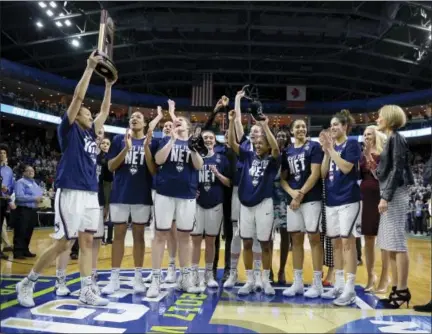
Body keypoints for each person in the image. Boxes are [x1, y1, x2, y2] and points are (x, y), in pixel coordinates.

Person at [16, 51, 115, 307]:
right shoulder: (68, 130)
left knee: (86, 243)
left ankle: (85, 290)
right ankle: (28, 282)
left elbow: (105, 109)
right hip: (70, 191)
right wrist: (90, 68)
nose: (89, 113)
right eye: (85, 112)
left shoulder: (93, 134)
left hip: (90, 194)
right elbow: (79, 97)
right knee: (62, 244)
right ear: (75, 115)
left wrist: (108, 85)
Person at [101, 108, 161, 295]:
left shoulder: (152, 142)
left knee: (139, 236)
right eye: (132, 117)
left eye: (138, 117)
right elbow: (110, 166)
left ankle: (138, 277)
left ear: (145, 123)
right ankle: (114, 278)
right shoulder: (119, 140)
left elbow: (153, 171)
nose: (134, 119)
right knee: (117, 236)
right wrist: (126, 149)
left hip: (142, 195)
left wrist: (146, 149)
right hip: (120, 194)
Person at [146, 110, 204, 298]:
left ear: (188, 127)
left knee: (185, 237)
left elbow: (198, 165)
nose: (177, 123)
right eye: (175, 121)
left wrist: (193, 148)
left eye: (181, 122)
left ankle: (185, 278)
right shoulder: (164, 140)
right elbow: (158, 159)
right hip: (165, 193)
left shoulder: (194, 143)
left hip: (186, 194)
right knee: (160, 235)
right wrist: (172, 139)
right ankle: (156, 279)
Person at [227, 110, 280, 295]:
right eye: (255, 143)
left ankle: (265, 280)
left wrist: (265, 126)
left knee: (265, 243)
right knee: (247, 243)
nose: (257, 145)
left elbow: (275, 149)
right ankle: (249, 279)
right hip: (245, 205)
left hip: (264, 204)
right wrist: (233, 121)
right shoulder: (248, 156)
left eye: (261, 143)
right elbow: (232, 143)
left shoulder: (273, 160)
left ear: (267, 144)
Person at [320, 109, 362, 306]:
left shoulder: (352, 143)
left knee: (348, 242)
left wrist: (332, 150)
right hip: (331, 200)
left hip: (348, 199)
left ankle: (350, 288)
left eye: (336, 124)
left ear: (345, 126)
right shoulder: (331, 147)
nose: (333, 127)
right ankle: (337, 285)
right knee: (335, 243)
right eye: (331, 124)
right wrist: (327, 151)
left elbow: (346, 168)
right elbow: (322, 173)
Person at [224, 90, 263, 290]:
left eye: (258, 131)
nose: (255, 133)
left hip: (258, 194)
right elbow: (237, 121)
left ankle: (256, 275)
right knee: (238, 233)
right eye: (253, 131)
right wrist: (237, 99)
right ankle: (232, 273)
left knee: (256, 235)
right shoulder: (245, 144)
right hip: (240, 192)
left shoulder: (266, 148)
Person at [375, 105, 414, 309]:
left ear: (389, 118)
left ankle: (403, 289)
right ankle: (398, 289)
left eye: (380, 115)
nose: (378, 118)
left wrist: (385, 197)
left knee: (397, 243)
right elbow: (388, 169)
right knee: (390, 244)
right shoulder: (391, 139)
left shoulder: (396, 138)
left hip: (395, 194)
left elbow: (398, 169)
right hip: (391, 193)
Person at [281, 119, 324, 298]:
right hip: (294, 201)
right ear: (292, 131)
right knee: (295, 240)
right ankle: (297, 283)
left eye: (303, 127)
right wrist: (292, 193)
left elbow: (315, 174)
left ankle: (317, 283)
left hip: (311, 199)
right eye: (297, 126)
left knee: (314, 239)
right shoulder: (287, 151)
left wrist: (300, 194)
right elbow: (283, 179)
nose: (301, 129)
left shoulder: (313, 147)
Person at [190, 129, 231, 289]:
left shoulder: (222, 158)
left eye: (211, 137)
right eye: (205, 137)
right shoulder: (195, 156)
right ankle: (193, 273)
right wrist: (192, 188)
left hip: (215, 202)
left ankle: (209, 274)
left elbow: (229, 183)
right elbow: (188, 176)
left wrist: (217, 174)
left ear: (215, 141)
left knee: (210, 241)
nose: (208, 139)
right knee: (195, 241)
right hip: (197, 203)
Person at [144, 105, 178, 285]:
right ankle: (155, 269)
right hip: (158, 189)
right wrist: (158, 117)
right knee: (156, 232)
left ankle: (172, 267)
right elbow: (149, 131)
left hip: (175, 191)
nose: (167, 126)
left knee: (172, 231)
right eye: (165, 125)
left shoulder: (181, 142)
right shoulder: (158, 142)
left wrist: (172, 114)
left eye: (171, 125)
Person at [360, 126, 390, 293]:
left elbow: (383, 176)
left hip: (381, 197)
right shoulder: (362, 153)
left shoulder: (383, 152)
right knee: (368, 238)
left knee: (384, 239)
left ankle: (385, 277)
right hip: (366, 198)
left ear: (376, 135)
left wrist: (371, 165)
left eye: (369, 134)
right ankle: (371, 275)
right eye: (364, 134)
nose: (366, 136)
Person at [271, 130, 291, 284]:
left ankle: (282, 270)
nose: (281, 138)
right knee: (267, 235)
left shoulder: (289, 153)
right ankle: (268, 270)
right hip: (268, 196)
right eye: (279, 136)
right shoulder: (268, 152)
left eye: (284, 136)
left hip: (284, 197)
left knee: (285, 235)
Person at [12, 166, 43, 259]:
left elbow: (38, 195)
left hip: (33, 211)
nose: (31, 172)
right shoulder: (20, 182)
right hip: (23, 210)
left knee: (28, 231)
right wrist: (34, 198)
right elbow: (19, 197)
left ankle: (25, 250)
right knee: (20, 231)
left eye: (32, 171)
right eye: (28, 171)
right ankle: (18, 252)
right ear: (23, 173)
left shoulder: (35, 183)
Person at [0, 143, 16, 260]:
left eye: (4, 153)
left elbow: (11, 186)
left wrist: (8, 194)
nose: (2, 154)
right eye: (0, 153)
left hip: (4, 200)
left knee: (1, 225)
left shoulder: (9, 170)